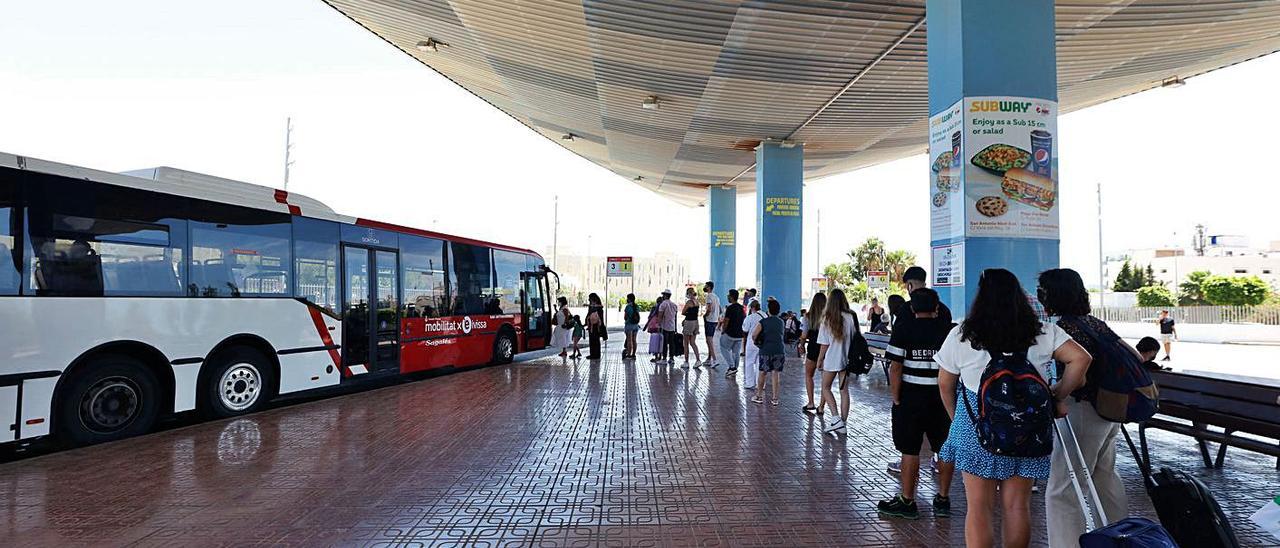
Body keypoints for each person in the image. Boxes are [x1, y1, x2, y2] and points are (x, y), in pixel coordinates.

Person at [934, 268, 1091, 548]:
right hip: (1028, 429)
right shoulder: (1042, 331)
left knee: (979, 508)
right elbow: (1081, 359)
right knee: (1017, 506)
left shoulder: (962, 333)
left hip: (975, 426)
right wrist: (1058, 394)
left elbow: (945, 383)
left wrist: (955, 416)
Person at [1037, 268, 1131, 548]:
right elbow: (1134, 355)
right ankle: (1119, 537)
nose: (1040, 296)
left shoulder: (1062, 328)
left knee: (1063, 487)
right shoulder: (1095, 323)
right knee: (1104, 477)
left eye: (1042, 291)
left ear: (1053, 294)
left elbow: (1081, 373)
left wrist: (1058, 393)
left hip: (1082, 410)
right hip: (1109, 412)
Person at [879, 288, 956, 520]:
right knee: (943, 447)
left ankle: (907, 500)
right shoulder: (949, 331)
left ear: (912, 308)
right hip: (942, 398)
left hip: (910, 397)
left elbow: (896, 366)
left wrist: (895, 396)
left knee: (909, 449)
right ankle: (943, 499)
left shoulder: (904, 328)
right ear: (936, 307)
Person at [816, 288, 858, 434]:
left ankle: (835, 418)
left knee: (825, 387)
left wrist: (819, 360)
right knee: (844, 391)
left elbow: (824, 344)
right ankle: (843, 423)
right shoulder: (851, 317)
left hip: (832, 359)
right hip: (847, 359)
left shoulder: (827, 318)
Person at [751, 298, 787, 405]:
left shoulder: (763, 322)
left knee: (762, 373)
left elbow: (754, 335)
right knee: (776, 373)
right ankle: (775, 398)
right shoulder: (781, 322)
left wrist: (757, 342)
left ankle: (759, 396)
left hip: (765, 350)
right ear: (779, 310)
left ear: (768, 310)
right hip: (779, 350)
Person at [798, 292, 826, 414]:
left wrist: (802, 345)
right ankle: (821, 406)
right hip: (826, 349)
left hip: (813, 348)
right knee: (825, 380)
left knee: (809, 375)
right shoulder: (828, 317)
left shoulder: (807, 317)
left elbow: (804, 335)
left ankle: (811, 402)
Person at [719, 289, 746, 376]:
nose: (727, 296)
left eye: (728, 295)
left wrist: (723, 330)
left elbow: (726, 321)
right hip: (739, 334)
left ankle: (732, 367)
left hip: (730, 333)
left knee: (723, 347)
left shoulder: (730, 308)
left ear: (731, 297)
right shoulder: (741, 308)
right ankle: (735, 368)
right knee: (736, 352)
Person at [741, 299, 766, 390]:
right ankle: (760, 384)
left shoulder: (750, 317)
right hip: (763, 343)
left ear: (752, 308)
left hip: (752, 343)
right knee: (760, 363)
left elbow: (745, 329)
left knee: (749, 363)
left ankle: (750, 383)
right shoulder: (765, 315)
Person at [656, 289, 680, 365]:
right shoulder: (674, 305)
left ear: (665, 295)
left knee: (664, 343)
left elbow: (660, 316)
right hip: (672, 327)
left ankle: (664, 359)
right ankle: (672, 358)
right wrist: (675, 328)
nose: (662, 296)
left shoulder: (663, 304)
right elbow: (675, 317)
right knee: (672, 343)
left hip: (664, 326)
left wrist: (659, 325)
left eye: (663, 295)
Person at [681, 287, 702, 367]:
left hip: (689, 323)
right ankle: (698, 360)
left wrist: (687, 314)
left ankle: (686, 362)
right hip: (696, 322)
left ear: (689, 294)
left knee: (686, 343)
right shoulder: (697, 302)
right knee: (693, 342)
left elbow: (683, 312)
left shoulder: (689, 302)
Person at [702, 281, 721, 368]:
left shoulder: (709, 296)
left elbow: (709, 309)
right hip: (715, 320)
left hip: (709, 320)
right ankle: (709, 359)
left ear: (709, 287)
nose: (704, 287)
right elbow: (720, 309)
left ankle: (714, 359)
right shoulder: (716, 297)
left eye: (706, 286)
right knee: (709, 339)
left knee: (709, 340)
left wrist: (705, 315)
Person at [551, 296, 573, 360]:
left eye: (559, 301)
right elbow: (559, 314)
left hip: (563, 326)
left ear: (562, 302)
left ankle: (564, 351)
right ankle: (564, 351)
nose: (558, 303)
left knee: (563, 338)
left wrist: (565, 324)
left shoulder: (565, 308)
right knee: (562, 338)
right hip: (560, 325)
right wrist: (555, 309)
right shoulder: (561, 308)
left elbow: (566, 317)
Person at [585, 293, 605, 360]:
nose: (588, 299)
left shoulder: (598, 307)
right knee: (593, 340)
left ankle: (595, 354)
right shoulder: (592, 307)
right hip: (592, 325)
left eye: (589, 298)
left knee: (595, 340)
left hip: (596, 326)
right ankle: (593, 354)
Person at [647, 295, 666, 361]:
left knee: (655, 341)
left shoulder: (654, 308)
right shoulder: (664, 307)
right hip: (662, 326)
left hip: (654, 326)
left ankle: (656, 356)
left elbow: (649, 316)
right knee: (661, 341)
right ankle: (660, 356)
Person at [622, 293, 641, 359]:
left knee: (629, 340)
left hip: (629, 325)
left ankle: (629, 355)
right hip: (636, 325)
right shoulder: (637, 306)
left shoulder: (628, 307)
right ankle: (633, 354)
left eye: (627, 298)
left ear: (629, 299)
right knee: (634, 340)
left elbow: (625, 317)